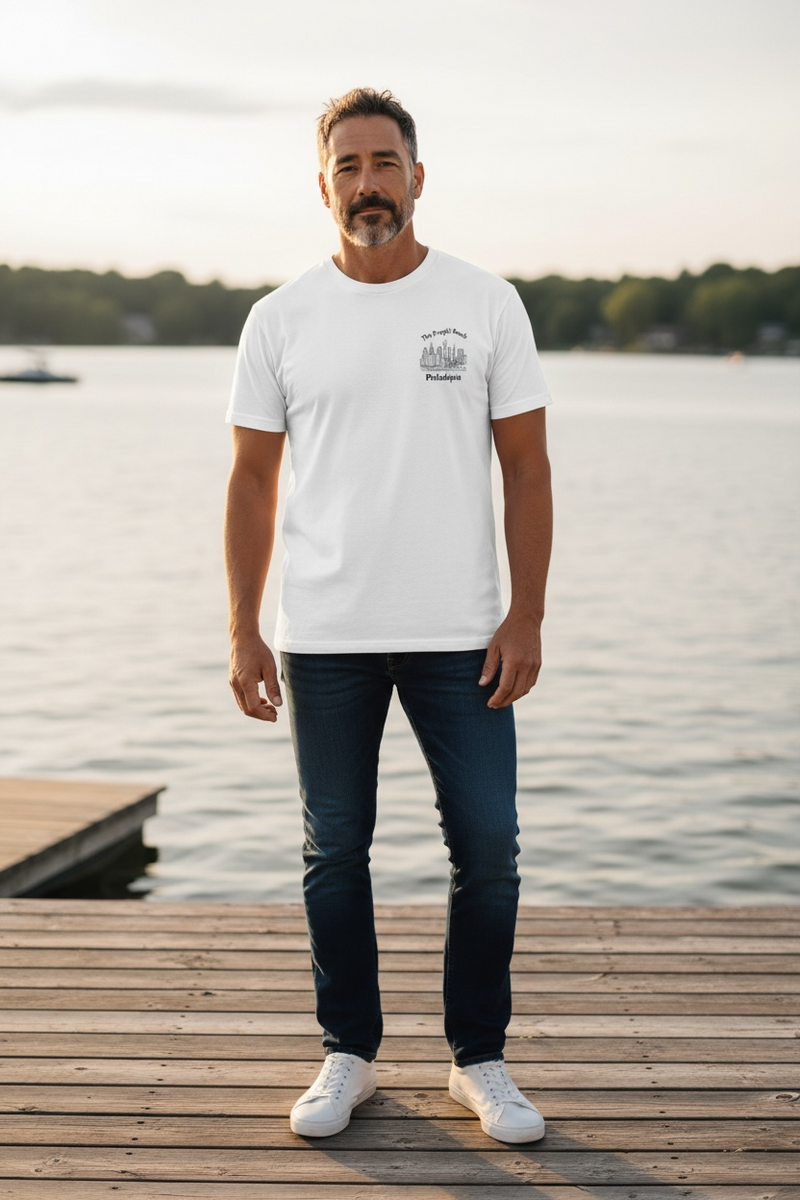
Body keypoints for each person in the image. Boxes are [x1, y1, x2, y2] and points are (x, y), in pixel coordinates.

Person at [224, 87, 553, 1145]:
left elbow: (527, 469)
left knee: (489, 845)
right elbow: (248, 485)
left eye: (385, 162)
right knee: (333, 849)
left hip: (461, 632)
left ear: (417, 176)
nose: (368, 183)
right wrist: (242, 627)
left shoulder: (486, 300)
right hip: (323, 636)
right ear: (323, 184)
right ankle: (348, 1054)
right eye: (348, 166)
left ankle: (479, 1060)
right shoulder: (278, 319)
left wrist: (525, 617)